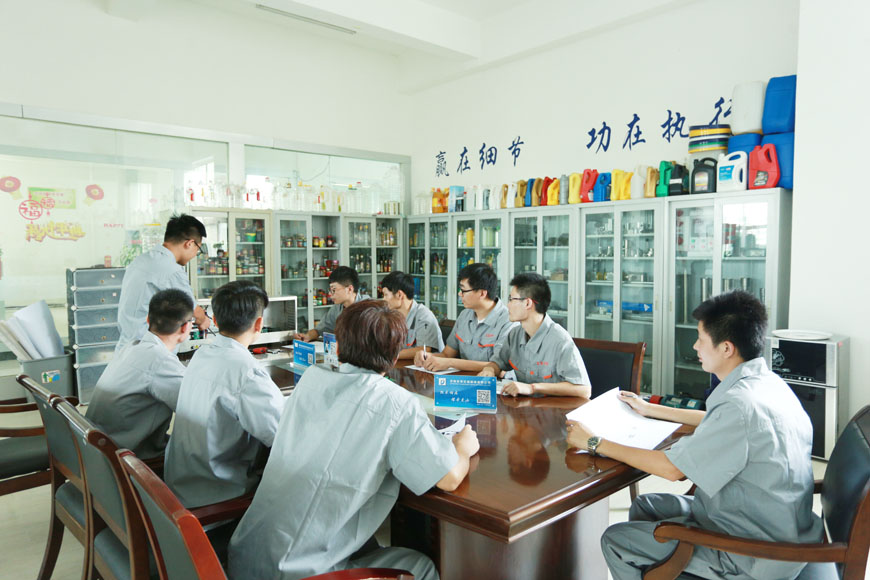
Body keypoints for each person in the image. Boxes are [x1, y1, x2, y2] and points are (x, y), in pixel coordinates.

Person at [567, 291, 822, 580]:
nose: (695, 346)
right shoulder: (765, 384)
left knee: (616, 540)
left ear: (726, 348)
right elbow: (718, 421)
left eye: (701, 339)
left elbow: (672, 470)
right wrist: (650, 408)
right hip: (778, 524)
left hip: (755, 552)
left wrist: (594, 442)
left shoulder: (739, 405)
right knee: (645, 505)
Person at [228, 300, 479, 580]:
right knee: (420, 566)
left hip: (245, 557)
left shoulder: (311, 379)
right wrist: (463, 447)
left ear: (336, 347)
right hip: (300, 572)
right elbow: (448, 479)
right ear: (395, 356)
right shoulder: (394, 401)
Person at [164, 281, 285, 508]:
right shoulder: (247, 373)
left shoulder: (202, 354)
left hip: (181, 483)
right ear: (259, 324)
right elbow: (282, 438)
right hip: (217, 495)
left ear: (216, 321)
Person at [86, 289, 192, 459]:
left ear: (148, 319)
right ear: (186, 327)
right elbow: (198, 407)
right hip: (124, 458)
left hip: (97, 447)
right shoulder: (160, 361)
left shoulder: (131, 347)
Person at [479, 273, 591, 398]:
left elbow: (584, 390)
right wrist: (490, 369)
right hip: (524, 406)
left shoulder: (560, 340)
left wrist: (532, 388)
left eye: (511, 299)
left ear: (527, 303)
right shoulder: (514, 334)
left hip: (553, 408)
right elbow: (497, 363)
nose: (508, 305)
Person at [116, 213, 210, 351]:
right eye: (198, 248)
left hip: (126, 347)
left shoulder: (141, 260)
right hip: (150, 350)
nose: (196, 254)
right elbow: (192, 308)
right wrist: (204, 320)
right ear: (189, 243)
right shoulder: (171, 270)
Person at [413, 263, 515, 373]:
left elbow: (497, 366)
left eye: (463, 290)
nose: (459, 294)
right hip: (462, 379)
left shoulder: (508, 321)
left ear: (482, 293)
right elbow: (447, 354)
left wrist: (450, 363)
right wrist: (428, 357)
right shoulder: (464, 315)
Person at [293, 266, 370, 342]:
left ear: (350, 289)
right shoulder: (337, 308)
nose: (330, 294)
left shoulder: (368, 308)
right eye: (330, 290)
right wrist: (308, 336)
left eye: (333, 290)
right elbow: (320, 329)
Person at [380, 270, 443, 359]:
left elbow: (424, 350)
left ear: (399, 295)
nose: (384, 299)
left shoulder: (424, 316)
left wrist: (388, 355)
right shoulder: (394, 315)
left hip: (427, 366)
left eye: (386, 295)